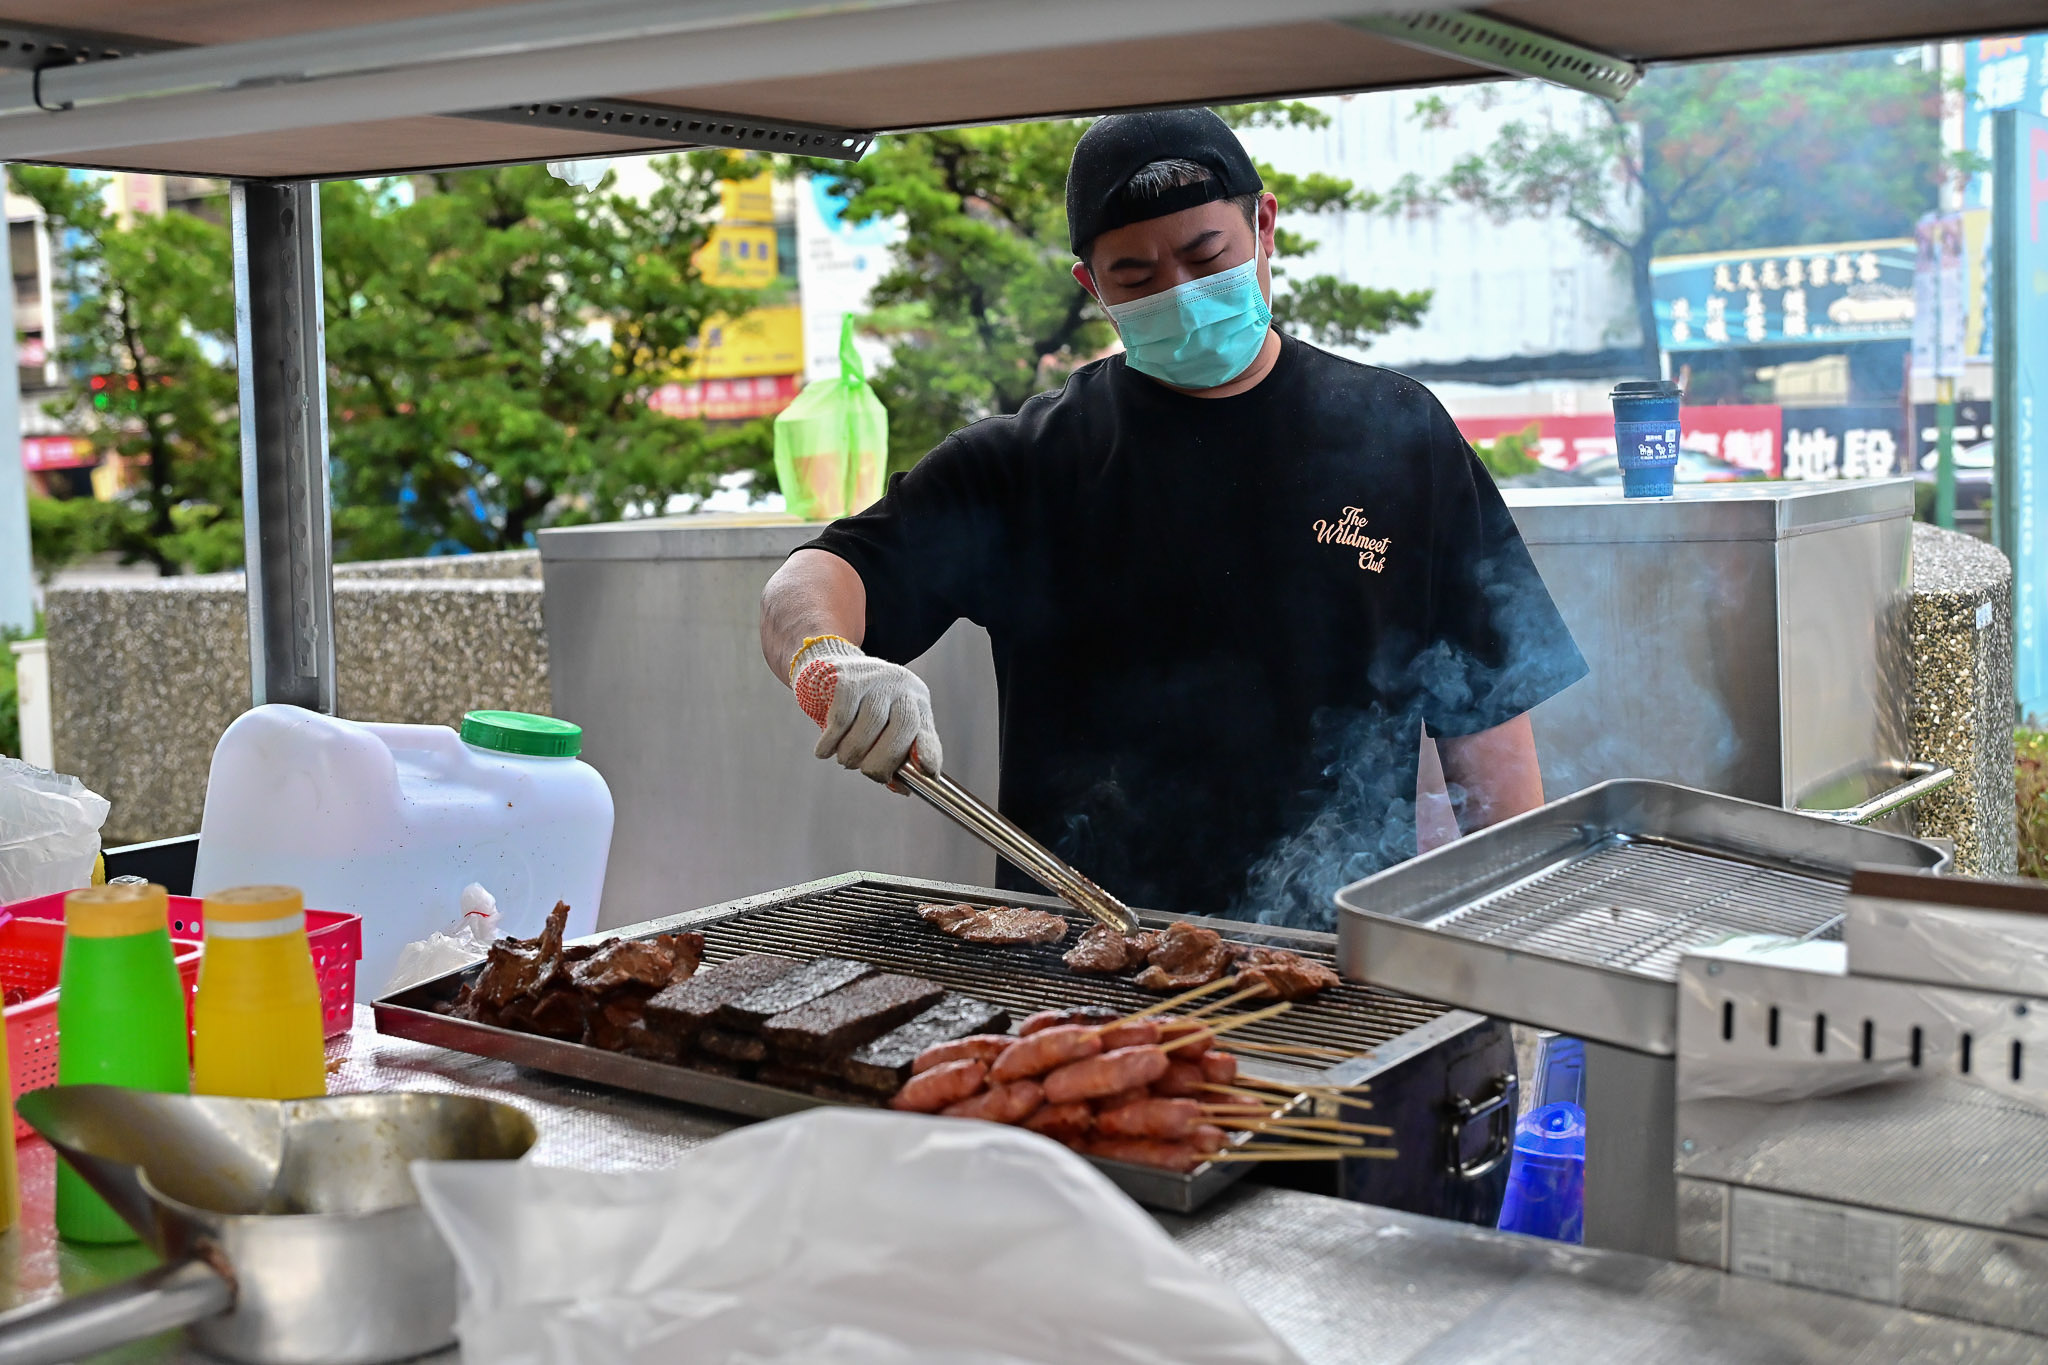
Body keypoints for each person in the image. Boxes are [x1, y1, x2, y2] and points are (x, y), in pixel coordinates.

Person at [760, 108, 1586, 928]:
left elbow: (1490, 735)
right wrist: (826, 660)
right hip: (1079, 955)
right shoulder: (1027, 465)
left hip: (1338, 954)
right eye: (1137, 276)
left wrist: (1515, 935)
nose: (1182, 295)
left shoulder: (1402, 433)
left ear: (1263, 226)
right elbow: (813, 578)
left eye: (1206, 255)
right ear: (1091, 288)